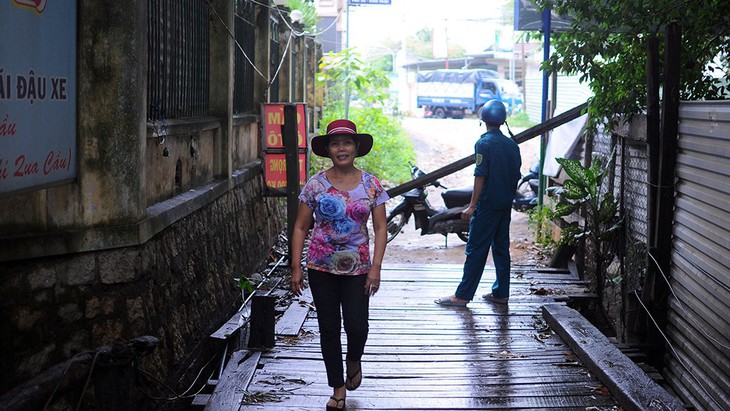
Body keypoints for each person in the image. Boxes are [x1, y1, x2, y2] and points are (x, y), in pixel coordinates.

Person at [290, 119, 389, 411]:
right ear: (328, 149)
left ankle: (354, 358)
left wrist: (376, 267)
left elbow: (381, 228)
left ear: (356, 148)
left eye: (347, 142)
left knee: (357, 326)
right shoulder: (315, 185)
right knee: (329, 328)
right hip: (321, 267)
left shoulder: (371, 184)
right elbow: (300, 227)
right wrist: (296, 267)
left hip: (358, 269)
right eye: (335, 143)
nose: (341, 148)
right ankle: (338, 388)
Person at [435, 100, 522, 307]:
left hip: (488, 206)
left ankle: (462, 295)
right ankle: (501, 293)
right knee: (501, 249)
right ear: (503, 120)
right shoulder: (512, 144)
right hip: (504, 205)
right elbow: (516, 175)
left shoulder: (483, 144)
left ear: (483, 119)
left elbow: (480, 175)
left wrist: (472, 205)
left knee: (476, 249)